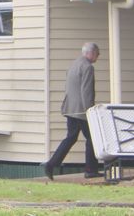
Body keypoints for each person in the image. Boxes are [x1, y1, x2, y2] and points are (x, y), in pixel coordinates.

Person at [44, 41, 101, 180]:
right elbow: (86, 92)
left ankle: (51, 164)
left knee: (71, 138)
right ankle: (90, 170)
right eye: (97, 54)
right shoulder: (87, 67)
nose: (98, 57)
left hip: (70, 109)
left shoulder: (74, 64)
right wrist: (90, 111)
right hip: (82, 111)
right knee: (92, 138)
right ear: (92, 53)